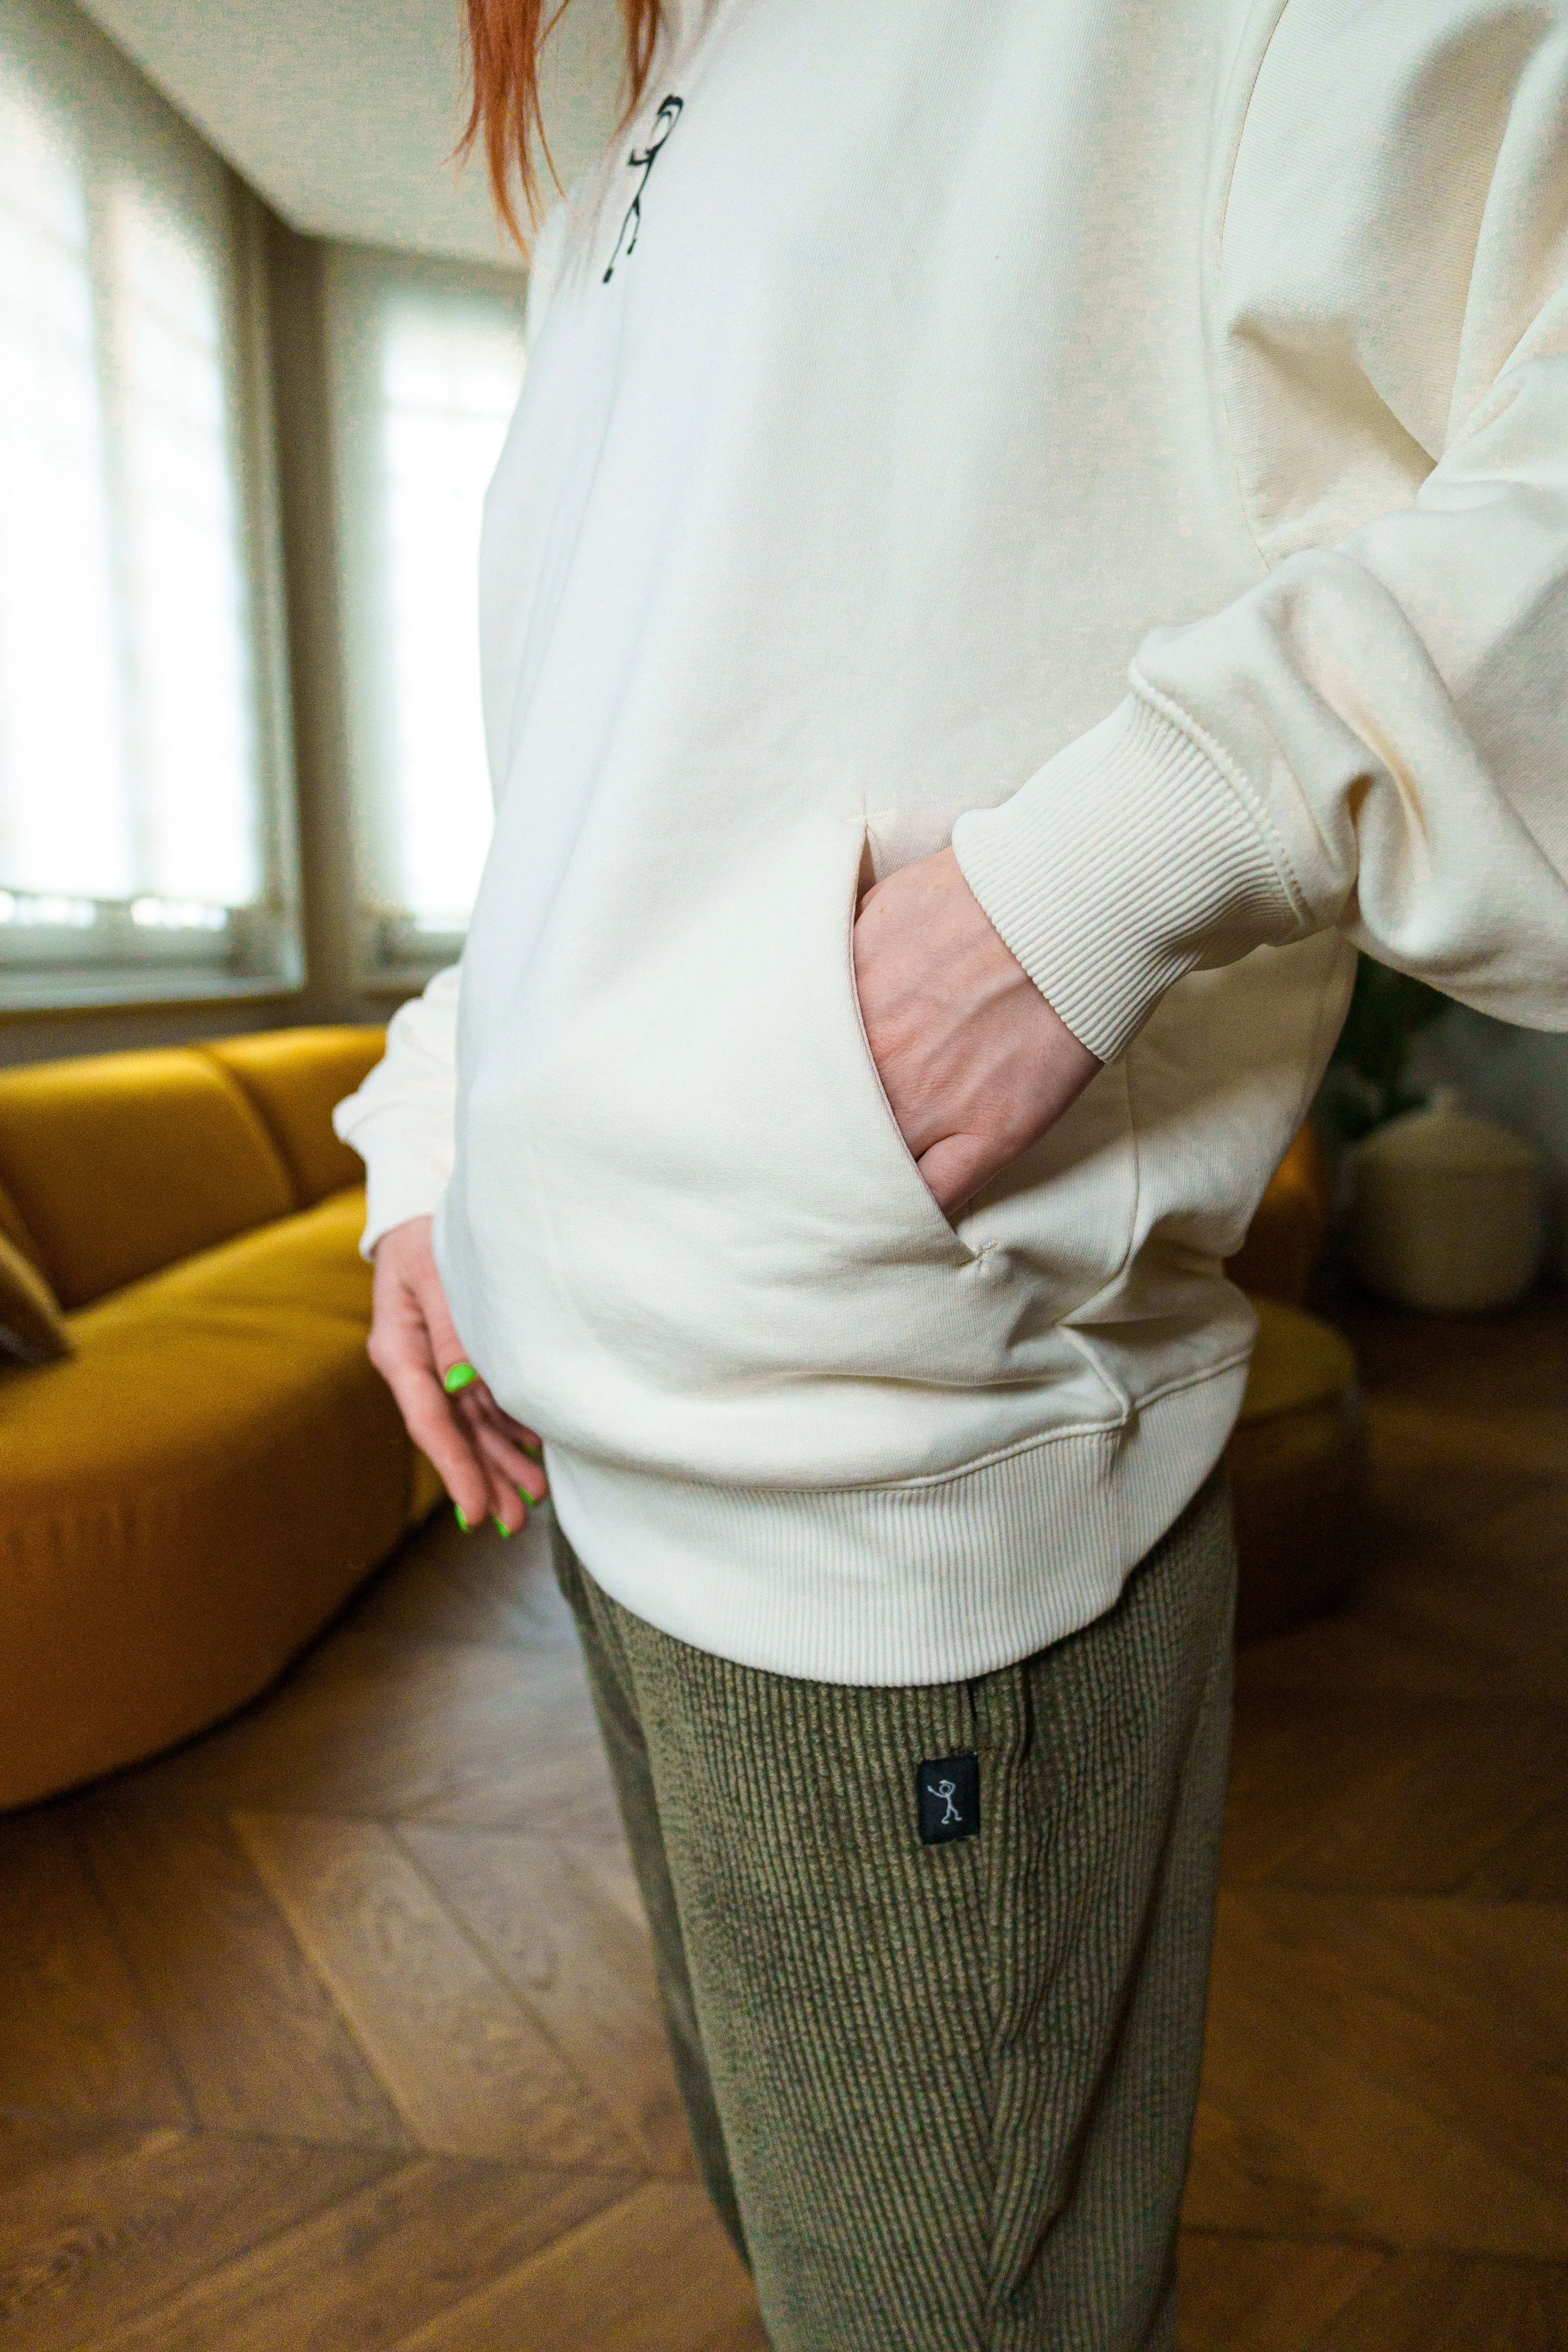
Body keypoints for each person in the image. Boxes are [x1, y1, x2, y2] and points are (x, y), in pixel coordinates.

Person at [335, 2, 1568, 2343]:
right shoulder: (627, 137)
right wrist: (437, 1133)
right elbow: (611, 760)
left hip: (897, 1458)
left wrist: (1090, 887)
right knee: (810, 2261)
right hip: (605, 1458)